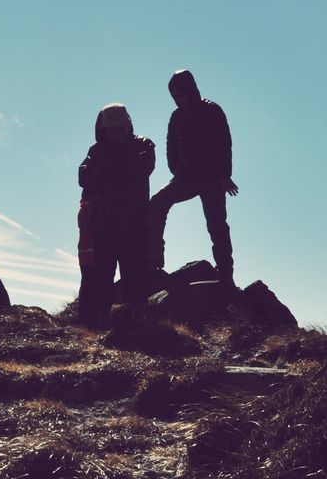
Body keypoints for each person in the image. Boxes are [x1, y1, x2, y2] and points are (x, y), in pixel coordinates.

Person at [149, 70, 238, 287]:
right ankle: (153, 263)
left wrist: (224, 176)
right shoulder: (176, 116)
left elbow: (224, 144)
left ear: (192, 90)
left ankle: (225, 274)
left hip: (211, 179)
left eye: (182, 94)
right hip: (184, 178)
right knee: (157, 203)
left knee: (216, 224)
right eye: (175, 96)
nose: (179, 100)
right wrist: (176, 170)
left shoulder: (212, 110)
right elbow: (170, 146)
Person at [77, 104, 155, 328]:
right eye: (111, 129)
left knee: (135, 274)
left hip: (133, 224)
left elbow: (140, 170)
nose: (115, 133)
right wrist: (112, 170)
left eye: (119, 128)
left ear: (128, 125)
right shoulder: (96, 151)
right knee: (103, 276)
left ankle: (137, 321)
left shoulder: (144, 145)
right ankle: (104, 323)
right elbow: (84, 178)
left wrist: (106, 172)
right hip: (104, 224)